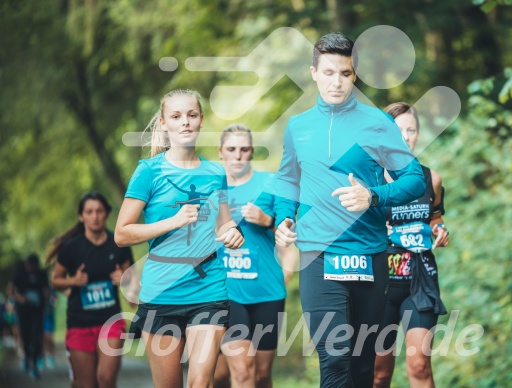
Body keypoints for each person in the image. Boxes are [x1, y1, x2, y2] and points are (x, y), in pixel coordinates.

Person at [274, 32, 426, 387]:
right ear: (313, 72)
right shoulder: (298, 126)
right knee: (334, 357)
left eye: (345, 73)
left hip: (370, 255)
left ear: (355, 75)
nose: (337, 82)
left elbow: (414, 179)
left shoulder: (377, 123)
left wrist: (373, 196)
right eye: (328, 72)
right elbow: (287, 182)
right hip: (318, 254)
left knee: (362, 366)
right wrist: (283, 217)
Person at [114, 89, 245, 388]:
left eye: (192, 115)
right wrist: (171, 222)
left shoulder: (215, 172)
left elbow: (223, 226)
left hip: (209, 287)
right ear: (164, 123)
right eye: (176, 116)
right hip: (162, 290)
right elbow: (122, 233)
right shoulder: (148, 171)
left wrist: (233, 233)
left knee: (200, 382)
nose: (185, 122)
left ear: (200, 121)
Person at [213, 124, 296, 388]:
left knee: (261, 376)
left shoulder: (270, 183)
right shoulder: (211, 189)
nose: (237, 155)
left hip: (267, 292)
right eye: (231, 149)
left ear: (251, 151)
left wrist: (267, 220)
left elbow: (290, 238)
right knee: (241, 371)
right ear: (221, 152)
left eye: (244, 149)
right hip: (227, 292)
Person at [373, 102, 450, 388]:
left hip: (420, 280)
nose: (405, 137)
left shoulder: (432, 179)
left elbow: (436, 218)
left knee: (419, 366)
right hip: (379, 283)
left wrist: (440, 231)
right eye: (397, 131)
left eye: (411, 130)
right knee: (378, 373)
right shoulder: (372, 181)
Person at [48, 191, 134, 388]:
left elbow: (132, 285)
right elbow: (55, 280)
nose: (95, 216)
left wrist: (124, 280)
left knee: (106, 379)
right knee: (86, 385)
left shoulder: (118, 244)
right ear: (81, 216)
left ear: (107, 214)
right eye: (89, 212)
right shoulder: (71, 248)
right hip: (80, 323)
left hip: (111, 321)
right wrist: (74, 281)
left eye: (99, 211)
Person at [10, 254, 49, 379]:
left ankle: (35, 361)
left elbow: (46, 289)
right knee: (25, 335)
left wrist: (47, 296)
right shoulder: (20, 274)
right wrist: (20, 298)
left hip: (37, 311)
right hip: (23, 311)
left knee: (36, 335)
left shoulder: (41, 274)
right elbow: (10, 290)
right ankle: (27, 358)